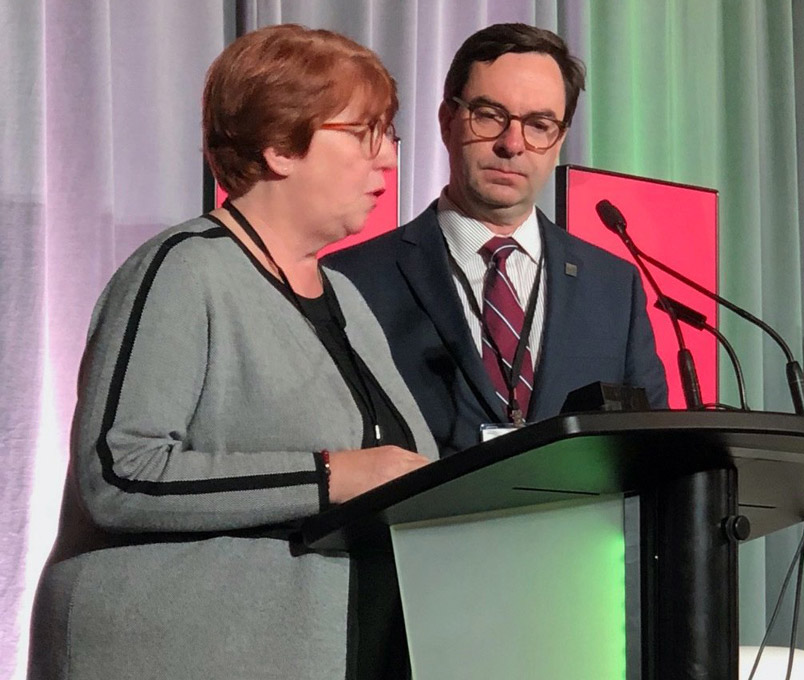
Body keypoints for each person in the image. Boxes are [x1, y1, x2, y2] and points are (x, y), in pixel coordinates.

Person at [29, 24, 432, 680]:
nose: (387, 159)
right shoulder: (182, 271)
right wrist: (330, 476)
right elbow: (120, 472)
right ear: (280, 145)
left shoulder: (347, 299)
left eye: (389, 135)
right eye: (364, 133)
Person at [325, 23, 668, 456]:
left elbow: (649, 450)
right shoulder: (349, 280)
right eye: (490, 116)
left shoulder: (614, 287)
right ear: (447, 121)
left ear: (559, 140)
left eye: (539, 125)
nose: (512, 144)